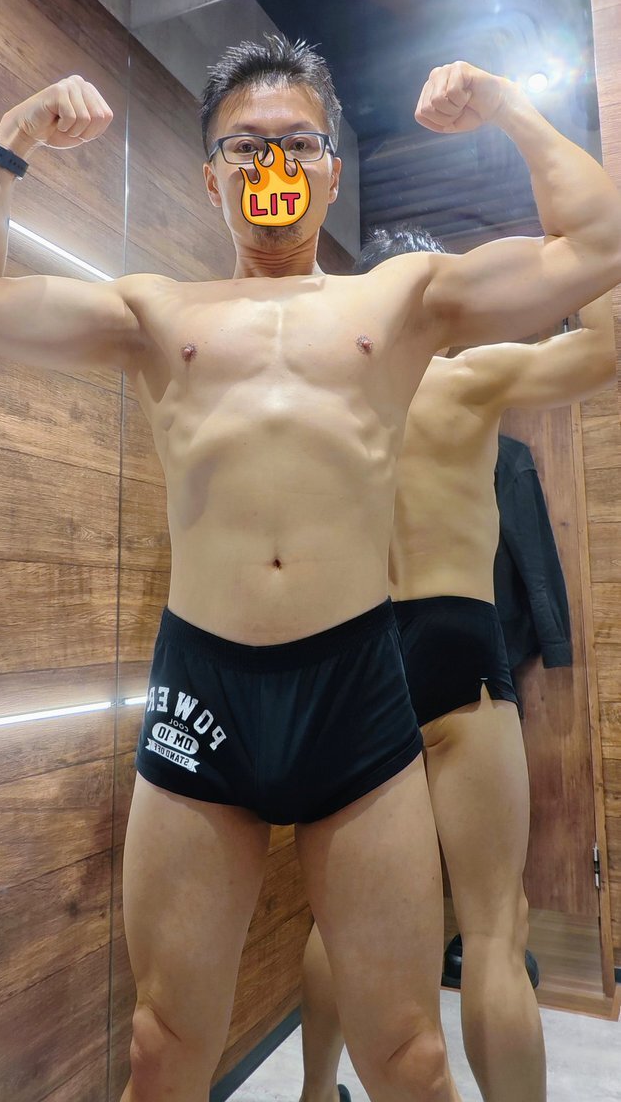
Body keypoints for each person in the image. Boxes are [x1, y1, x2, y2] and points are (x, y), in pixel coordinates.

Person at [0, 36, 620, 1102]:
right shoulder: (154, 311)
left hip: (356, 682)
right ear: (211, 178)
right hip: (202, 687)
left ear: (332, 173)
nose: (274, 164)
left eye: (299, 143)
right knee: (162, 1047)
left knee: (408, 1057)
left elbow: (599, 243)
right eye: (246, 146)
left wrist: (505, 105)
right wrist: (12, 138)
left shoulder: (402, 299)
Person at [298, 224, 615, 1102]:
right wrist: (582, 249)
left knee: (337, 920)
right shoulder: (470, 377)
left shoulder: (322, 399)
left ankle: (314, 1094)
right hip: (458, 639)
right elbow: (605, 348)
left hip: (355, 648)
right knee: (492, 929)